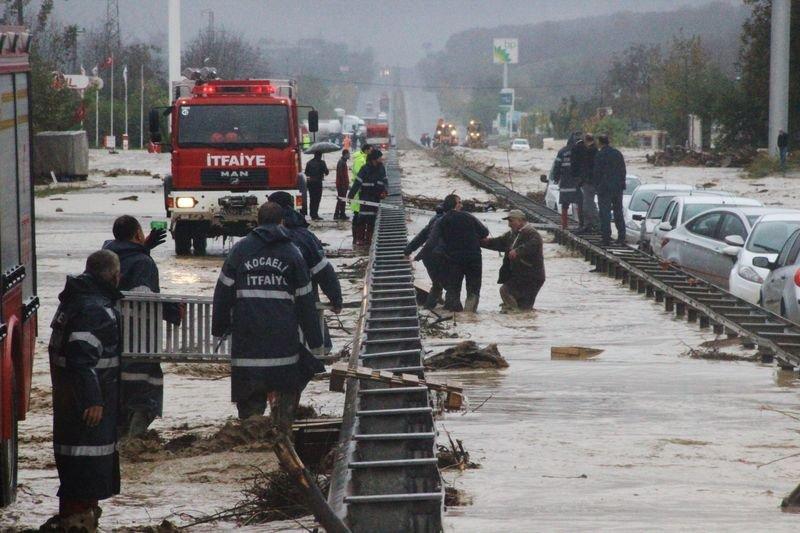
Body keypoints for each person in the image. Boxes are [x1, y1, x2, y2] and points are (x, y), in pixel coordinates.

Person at [212, 202, 324, 429]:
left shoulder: (240, 250)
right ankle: (280, 442)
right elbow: (306, 302)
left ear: (256, 221)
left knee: (250, 418)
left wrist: (219, 328)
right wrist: (316, 342)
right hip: (283, 348)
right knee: (282, 418)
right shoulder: (292, 253)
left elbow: (222, 293)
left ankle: (249, 443)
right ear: (282, 222)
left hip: (247, 346)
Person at [44, 250, 123, 532]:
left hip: (71, 403)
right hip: (88, 406)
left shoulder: (77, 300)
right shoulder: (94, 309)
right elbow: (81, 356)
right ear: (115, 276)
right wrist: (94, 400)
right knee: (87, 465)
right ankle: (78, 521)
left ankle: (78, 516)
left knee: (80, 467)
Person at [102, 216, 181, 438]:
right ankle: (133, 439)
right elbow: (144, 297)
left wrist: (144, 248)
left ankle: (120, 437)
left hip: (111, 340)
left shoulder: (105, 257)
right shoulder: (143, 263)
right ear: (138, 233)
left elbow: (123, 276)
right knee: (146, 391)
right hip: (140, 340)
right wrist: (173, 311)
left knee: (121, 391)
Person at [268, 190, 344, 354]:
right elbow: (324, 272)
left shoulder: (259, 238)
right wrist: (336, 299)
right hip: (307, 306)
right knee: (318, 353)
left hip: (271, 312)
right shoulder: (306, 238)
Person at [427, 194, 489, 312]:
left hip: (454, 259)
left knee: (454, 289)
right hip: (473, 258)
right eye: (459, 202)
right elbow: (484, 232)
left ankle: (455, 317)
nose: (461, 205)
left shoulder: (442, 221)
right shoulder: (469, 217)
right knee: (473, 290)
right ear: (455, 205)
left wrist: (421, 256)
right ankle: (469, 315)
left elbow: (432, 241)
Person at [481, 209, 545, 311]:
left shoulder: (532, 233)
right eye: (508, 221)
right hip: (520, 275)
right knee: (523, 308)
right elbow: (498, 243)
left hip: (532, 276)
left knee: (506, 291)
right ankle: (518, 320)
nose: (509, 224)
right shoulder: (511, 234)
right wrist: (481, 242)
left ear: (520, 221)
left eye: (511, 221)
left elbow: (532, 246)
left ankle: (515, 315)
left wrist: (517, 251)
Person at [405, 204, 446, 309]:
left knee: (437, 283)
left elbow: (421, 236)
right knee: (448, 285)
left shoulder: (433, 220)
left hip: (427, 256)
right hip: (439, 255)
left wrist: (408, 250)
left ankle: (431, 306)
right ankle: (445, 308)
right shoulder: (447, 221)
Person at [348, 148, 387, 247]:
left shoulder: (381, 168)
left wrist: (385, 191)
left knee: (372, 220)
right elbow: (357, 183)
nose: (381, 159)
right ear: (374, 159)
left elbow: (385, 181)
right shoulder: (365, 168)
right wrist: (350, 196)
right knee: (362, 218)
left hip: (376, 197)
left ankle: (368, 240)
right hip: (365, 197)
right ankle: (360, 240)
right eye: (380, 158)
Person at [594, 133, 627, 246]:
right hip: (617, 188)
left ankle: (606, 238)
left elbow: (597, 172)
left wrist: (597, 185)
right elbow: (623, 171)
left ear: (600, 142)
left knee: (605, 213)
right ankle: (622, 237)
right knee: (618, 212)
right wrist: (622, 185)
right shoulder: (618, 154)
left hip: (604, 189)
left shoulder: (600, 155)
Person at [553, 132, 582, 230]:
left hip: (565, 183)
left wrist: (556, 178)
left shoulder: (562, 152)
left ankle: (564, 226)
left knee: (565, 205)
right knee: (579, 204)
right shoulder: (581, 151)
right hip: (578, 183)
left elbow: (557, 166)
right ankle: (581, 225)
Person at [573, 133, 599, 233]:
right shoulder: (595, 150)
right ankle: (592, 224)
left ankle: (592, 225)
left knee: (587, 204)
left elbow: (587, 168)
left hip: (589, 182)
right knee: (589, 203)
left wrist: (583, 179)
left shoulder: (590, 151)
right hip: (591, 182)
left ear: (585, 140)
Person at [349, 143, 372, 243]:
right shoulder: (360, 160)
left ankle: (357, 238)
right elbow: (360, 176)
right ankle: (356, 238)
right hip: (358, 191)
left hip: (360, 191)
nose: (372, 152)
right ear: (366, 150)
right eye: (371, 150)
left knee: (359, 215)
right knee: (357, 215)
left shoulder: (362, 158)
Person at [304, 152, 329, 221]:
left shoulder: (309, 162)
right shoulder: (322, 163)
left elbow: (306, 173)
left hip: (310, 183)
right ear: (320, 156)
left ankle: (312, 214)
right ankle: (315, 214)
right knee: (317, 199)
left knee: (312, 199)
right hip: (318, 183)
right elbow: (327, 172)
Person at [334, 149, 350, 220]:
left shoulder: (343, 162)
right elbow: (340, 174)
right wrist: (343, 184)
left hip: (343, 184)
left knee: (342, 199)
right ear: (345, 154)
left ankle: (340, 214)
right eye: (348, 154)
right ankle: (338, 214)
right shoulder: (341, 162)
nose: (349, 155)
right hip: (341, 184)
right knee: (341, 199)